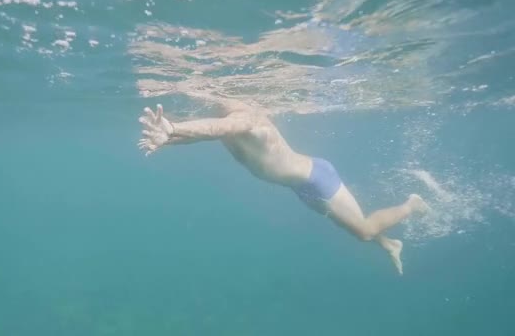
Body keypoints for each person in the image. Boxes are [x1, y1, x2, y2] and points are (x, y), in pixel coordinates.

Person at [137, 101, 429, 275]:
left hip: (317, 179)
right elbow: (204, 133)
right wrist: (169, 139)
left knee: (363, 230)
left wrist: (173, 129)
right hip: (300, 187)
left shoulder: (247, 118)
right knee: (351, 225)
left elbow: (214, 129)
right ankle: (389, 243)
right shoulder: (225, 120)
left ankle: (411, 204)